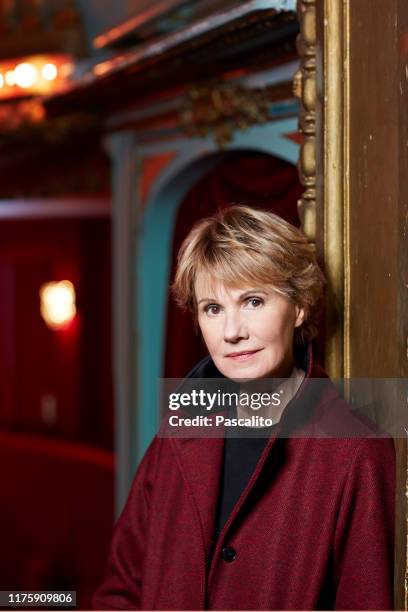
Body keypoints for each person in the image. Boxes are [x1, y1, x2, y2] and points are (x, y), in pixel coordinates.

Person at [93, 205, 395, 610]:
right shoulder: (180, 431)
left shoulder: (355, 451)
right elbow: (121, 592)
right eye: (212, 309)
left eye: (253, 301)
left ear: (299, 306)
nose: (232, 332)